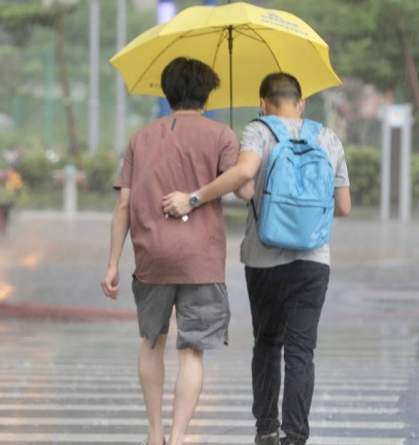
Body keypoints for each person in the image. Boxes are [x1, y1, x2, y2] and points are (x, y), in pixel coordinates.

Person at [161, 73, 352, 445]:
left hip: (264, 261)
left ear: (263, 102)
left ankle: (266, 429)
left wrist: (195, 197)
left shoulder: (258, 130)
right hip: (314, 261)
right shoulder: (328, 138)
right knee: (301, 350)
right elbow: (343, 206)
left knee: (267, 343)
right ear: (301, 105)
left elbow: (245, 180)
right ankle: (294, 436)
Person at [101, 57, 238, 445]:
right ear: (206, 94)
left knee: (152, 342)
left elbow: (123, 207)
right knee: (192, 351)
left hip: (151, 256)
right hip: (202, 258)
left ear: (167, 92)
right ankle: (178, 437)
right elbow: (240, 184)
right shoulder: (221, 134)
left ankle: (154, 431)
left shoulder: (140, 138)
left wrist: (112, 263)